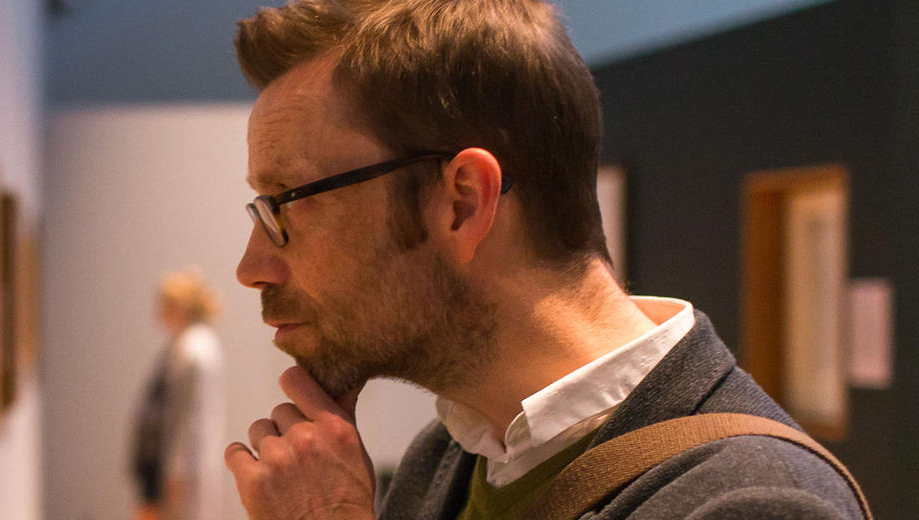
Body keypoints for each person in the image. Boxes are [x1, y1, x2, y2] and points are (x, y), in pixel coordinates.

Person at [220, 1, 868, 519]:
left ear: (463, 203)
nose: (253, 265)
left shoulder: (754, 502)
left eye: (287, 203)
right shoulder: (448, 457)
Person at [131, 269, 229, 520]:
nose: (159, 314)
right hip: (180, 469)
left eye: (164, 306)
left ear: (180, 307)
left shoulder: (195, 350)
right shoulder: (187, 346)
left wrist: (177, 471)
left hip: (184, 473)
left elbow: (191, 419)